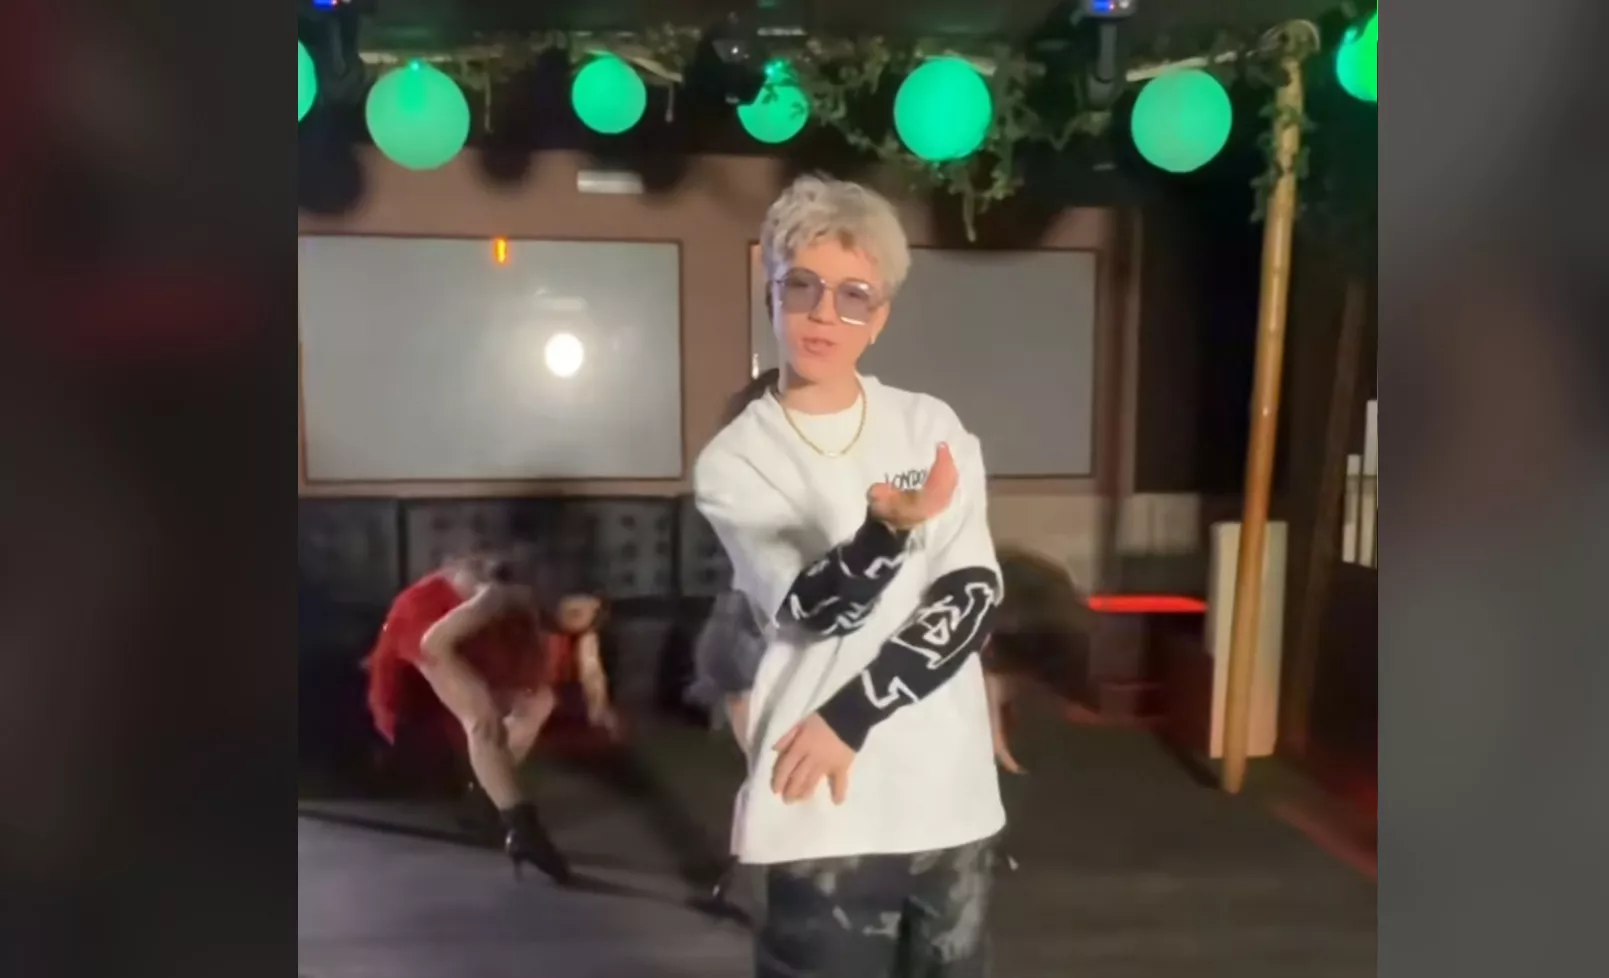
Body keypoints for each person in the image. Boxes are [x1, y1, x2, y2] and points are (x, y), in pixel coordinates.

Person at [694, 174, 1005, 977]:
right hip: (820, 809)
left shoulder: (928, 426)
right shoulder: (736, 460)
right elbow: (814, 606)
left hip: (949, 796)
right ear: (771, 289)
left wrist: (852, 713)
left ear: (881, 315)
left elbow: (971, 597)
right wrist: (885, 534)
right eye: (803, 285)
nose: (824, 314)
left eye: (853, 295)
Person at [363, 552, 618, 884]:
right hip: (427, 627)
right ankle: (523, 829)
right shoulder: (503, 597)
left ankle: (488, 795)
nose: (579, 618)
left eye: (586, 616)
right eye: (576, 610)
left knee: (538, 701)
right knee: (482, 717)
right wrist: (479, 702)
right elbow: (433, 643)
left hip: (462, 633)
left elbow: (589, 672)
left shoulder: (552, 626)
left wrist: (600, 707)